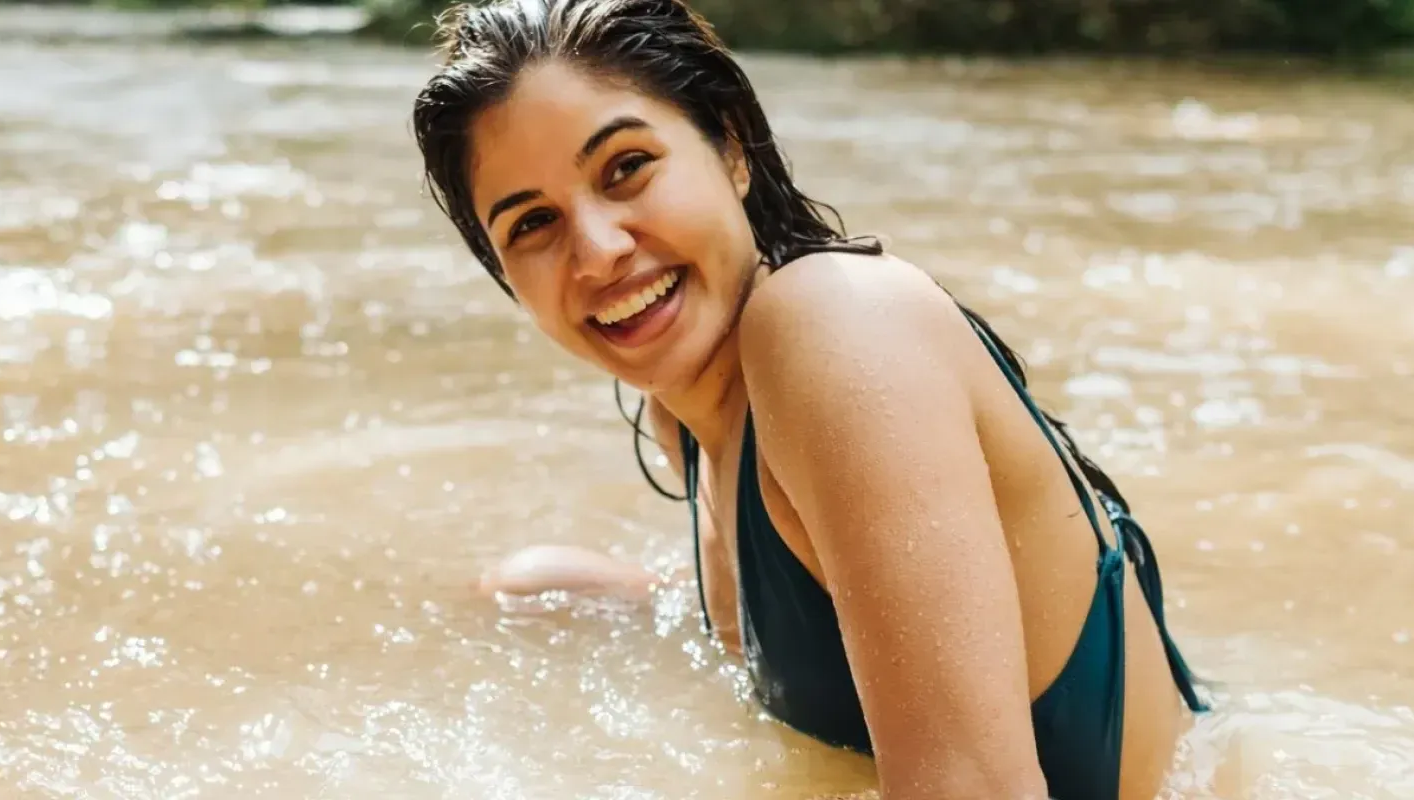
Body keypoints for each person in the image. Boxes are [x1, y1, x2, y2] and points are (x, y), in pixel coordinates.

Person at [410, 1, 1211, 798]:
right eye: (534, 223)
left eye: (626, 168)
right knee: (532, 585)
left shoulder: (837, 325)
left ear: (729, 147)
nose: (598, 251)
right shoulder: (685, 406)